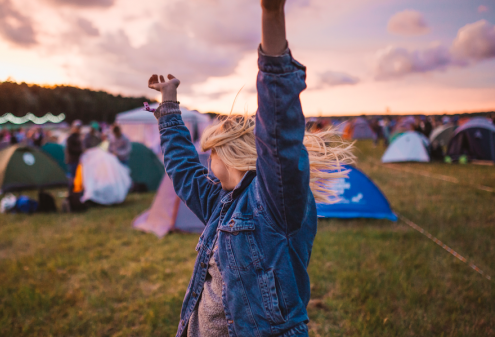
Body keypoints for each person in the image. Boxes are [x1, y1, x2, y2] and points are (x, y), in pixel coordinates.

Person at [147, 1, 353, 336]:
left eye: (209, 153)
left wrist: (272, 16)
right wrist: (169, 106)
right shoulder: (222, 203)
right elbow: (184, 171)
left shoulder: (274, 202)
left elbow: (279, 130)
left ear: (226, 154)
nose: (205, 161)